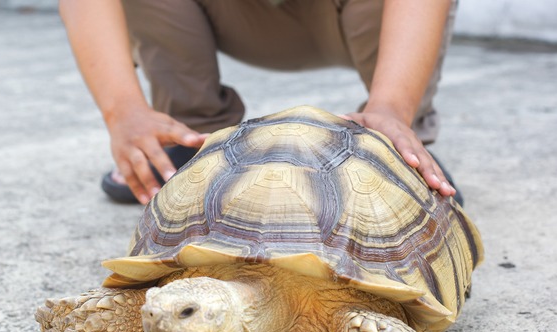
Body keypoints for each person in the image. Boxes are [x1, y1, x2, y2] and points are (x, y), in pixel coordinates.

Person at [58, 0, 458, 205]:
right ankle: (188, 135)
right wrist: (123, 110)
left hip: (355, 16)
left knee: (390, 116)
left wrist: (393, 106)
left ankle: (395, 138)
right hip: (230, 15)